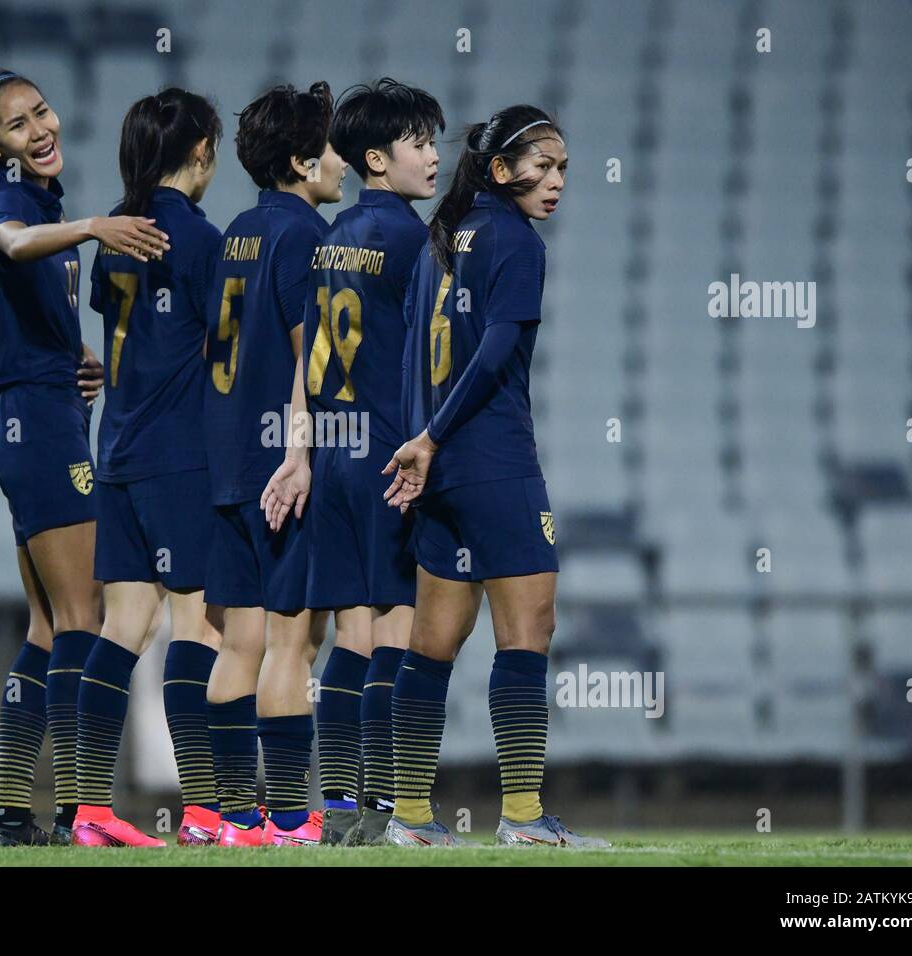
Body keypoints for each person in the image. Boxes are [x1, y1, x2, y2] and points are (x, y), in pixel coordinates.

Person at [0, 70, 170, 847]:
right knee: (86, 614)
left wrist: (71, 356)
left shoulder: (38, 201)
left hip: (40, 414)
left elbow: (16, 299)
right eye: (18, 126)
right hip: (38, 428)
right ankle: (83, 812)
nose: (40, 129)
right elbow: (14, 247)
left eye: (43, 111)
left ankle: (12, 815)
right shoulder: (7, 202)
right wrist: (91, 227)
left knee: (51, 625)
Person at [382, 105, 608, 848]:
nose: (556, 181)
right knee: (528, 631)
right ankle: (521, 816)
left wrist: (421, 445)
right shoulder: (516, 241)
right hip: (492, 461)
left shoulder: (440, 241)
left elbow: (415, 350)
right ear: (501, 170)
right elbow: (497, 349)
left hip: (442, 469)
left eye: (564, 168)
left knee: (433, 641)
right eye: (541, 166)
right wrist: (438, 436)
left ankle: (410, 820)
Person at [263, 78, 445, 846]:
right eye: (419, 143)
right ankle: (386, 808)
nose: (435, 157)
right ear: (377, 157)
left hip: (332, 452)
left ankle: (337, 807)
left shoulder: (330, 236)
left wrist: (299, 450)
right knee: (398, 626)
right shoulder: (412, 239)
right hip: (385, 454)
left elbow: (308, 361)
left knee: (350, 634)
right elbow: (433, 356)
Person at [72, 88, 227, 848]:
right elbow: (222, 355)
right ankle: (203, 811)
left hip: (119, 454)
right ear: (202, 150)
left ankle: (89, 808)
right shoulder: (202, 241)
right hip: (178, 458)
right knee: (195, 626)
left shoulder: (115, 234)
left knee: (125, 625)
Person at [202, 82, 344, 846]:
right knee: (294, 641)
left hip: (224, 458)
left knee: (239, 641)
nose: (342, 162)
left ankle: (231, 817)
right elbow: (307, 361)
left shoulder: (236, 232)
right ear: (300, 160)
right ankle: (290, 816)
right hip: (277, 466)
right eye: (329, 147)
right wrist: (300, 453)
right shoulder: (306, 238)